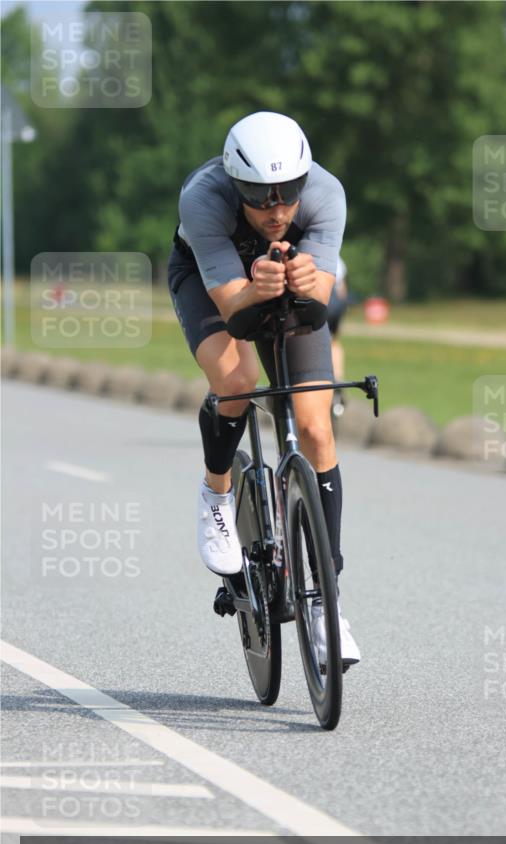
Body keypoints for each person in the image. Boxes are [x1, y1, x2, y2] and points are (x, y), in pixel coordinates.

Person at [167, 110, 360, 667]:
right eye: (258, 197)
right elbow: (232, 307)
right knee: (238, 379)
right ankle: (217, 493)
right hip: (213, 285)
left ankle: (326, 604)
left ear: (304, 181)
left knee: (317, 428)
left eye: (287, 194)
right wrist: (255, 288)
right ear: (236, 185)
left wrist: (306, 283)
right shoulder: (204, 198)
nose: (276, 211)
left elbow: (321, 299)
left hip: (285, 285)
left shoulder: (326, 194)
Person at [327, 254, 349, 418]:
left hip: (321, 299)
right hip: (336, 303)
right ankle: (338, 378)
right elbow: (342, 291)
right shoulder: (336, 258)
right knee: (334, 342)